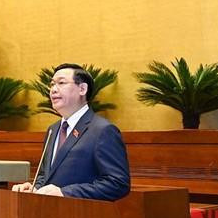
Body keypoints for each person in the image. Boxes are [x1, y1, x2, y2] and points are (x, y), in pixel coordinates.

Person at [12, 63, 130, 200]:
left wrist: (66, 193)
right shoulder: (53, 130)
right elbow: (45, 175)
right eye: (52, 85)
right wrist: (35, 188)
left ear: (82, 89)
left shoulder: (102, 130)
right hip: (50, 216)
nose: (53, 90)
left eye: (61, 83)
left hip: (81, 217)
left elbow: (118, 183)